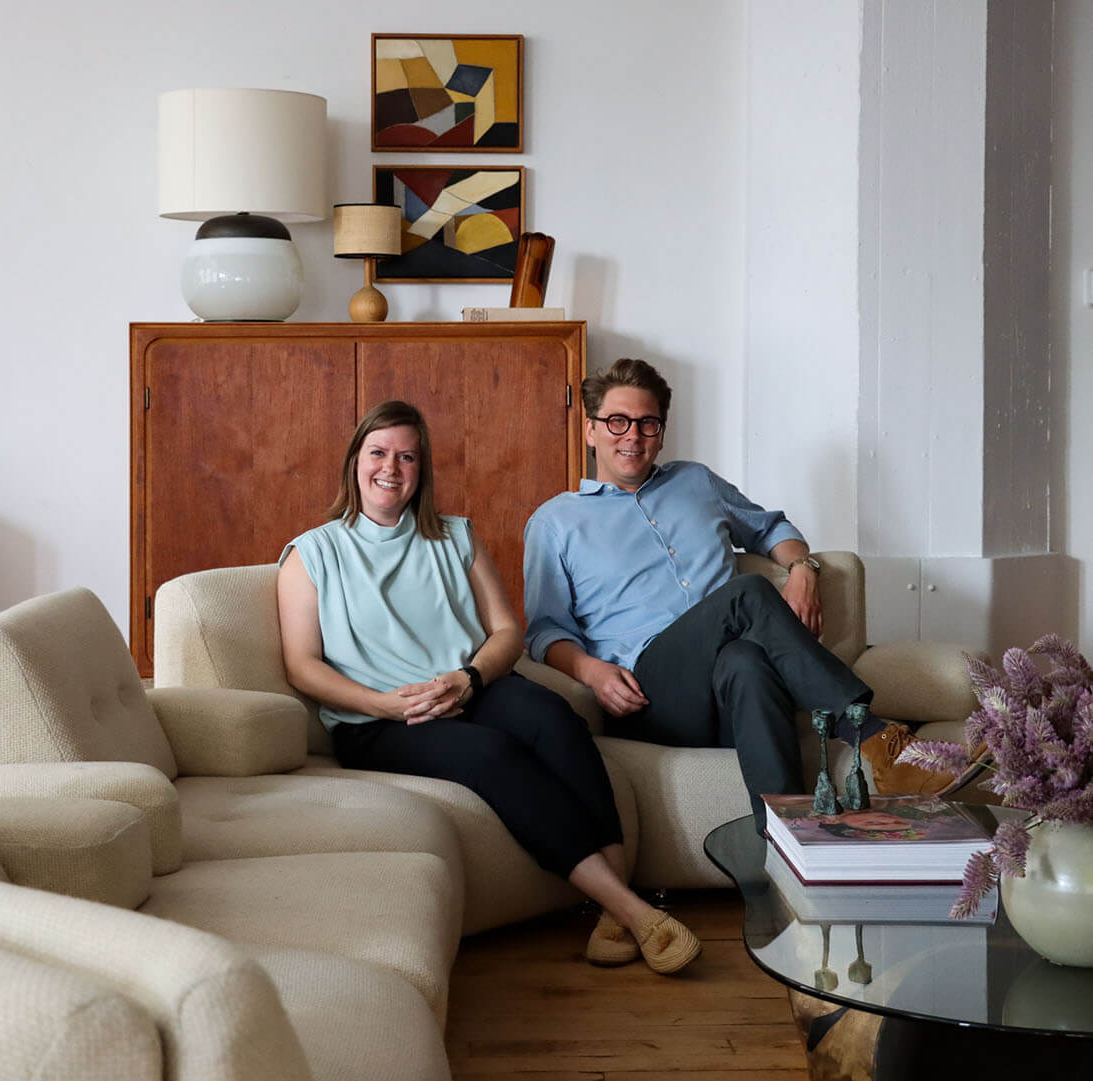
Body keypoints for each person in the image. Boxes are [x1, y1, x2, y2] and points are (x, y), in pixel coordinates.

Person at [277, 399, 701, 974]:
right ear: (355, 461)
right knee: (494, 754)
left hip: (469, 686)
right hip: (378, 719)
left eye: (407, 456)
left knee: (556, 718)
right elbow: (303, 667)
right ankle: (633, 910)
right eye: (378, 453)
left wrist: (468, 677)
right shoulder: (311, 554)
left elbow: (506, 631)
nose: (391, 468)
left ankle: (611, 913)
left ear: (422, 469)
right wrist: (385, 704)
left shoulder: (455, 536)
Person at [523, 358, 960, 832]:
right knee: (747, 592)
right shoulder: (555, 523)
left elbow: (772, 527)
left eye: (648, 423)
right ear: (591, 431)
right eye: (617, 421)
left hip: (730, 692)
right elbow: (546, 630)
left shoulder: (696, 481)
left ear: (662, 432)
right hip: (650, 694)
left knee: (745, 662)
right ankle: (871, 737)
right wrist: (592, 671)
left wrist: (802, 568)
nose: (632, 435)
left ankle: (788, 846)